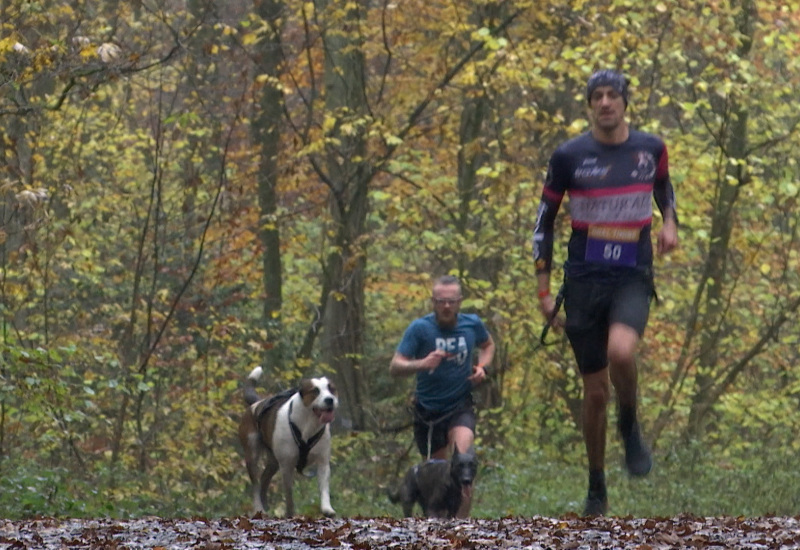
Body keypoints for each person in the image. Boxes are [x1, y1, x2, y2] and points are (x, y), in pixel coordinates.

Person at [532, 69, 679, 516]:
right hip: (583, 279)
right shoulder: (569, 156)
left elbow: (663, 187)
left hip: (632, 273)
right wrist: (543, 288)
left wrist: (670, 222)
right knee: (594, 392)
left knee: (621, 352)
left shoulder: (650, 148)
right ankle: (596, 483)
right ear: (590, 105)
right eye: (597, 96)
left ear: (625, 102)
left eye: (613, 95)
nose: (605, 103)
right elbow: (544, 222)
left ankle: (630, 425)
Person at [389, 275, 496, 518]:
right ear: (433, 302)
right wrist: (422, 363)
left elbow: (488, 345)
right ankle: (439, 531)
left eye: (451, 301)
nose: (446, 306)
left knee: (463, 460)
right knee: (439, 477)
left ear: (460, 301)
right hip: (428, 413)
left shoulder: (472, 324)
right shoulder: (420, 329)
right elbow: (395, 367)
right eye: (440, 301)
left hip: (460, 406)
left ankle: (461, 526)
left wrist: (482, 367)